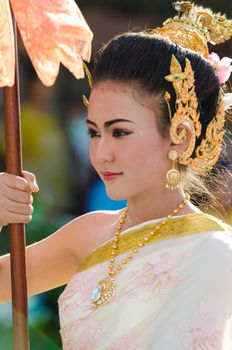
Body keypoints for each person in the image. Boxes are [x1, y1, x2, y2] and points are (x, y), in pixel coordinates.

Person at [1, 2, 232, 349]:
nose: (101, 153)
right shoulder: (87, 234)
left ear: (180, 137)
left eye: (120, 132)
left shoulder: (216, 254)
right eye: (94, 132)